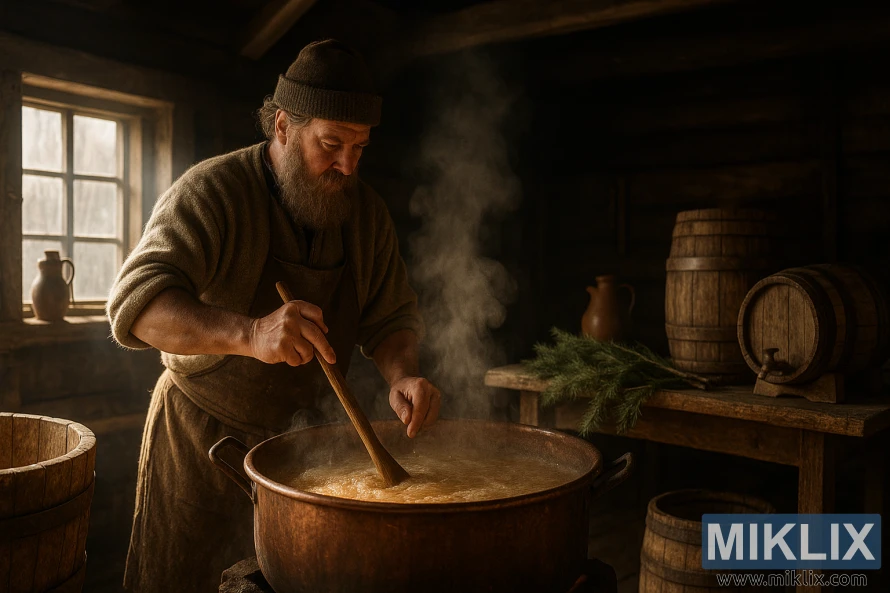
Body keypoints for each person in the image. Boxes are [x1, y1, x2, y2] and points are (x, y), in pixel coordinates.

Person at [107, 39, 441, 593]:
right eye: (331, 144)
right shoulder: (213, 192)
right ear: (283, 126)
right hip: (199, 444)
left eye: (360, 147)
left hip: (301, 451)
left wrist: (402, 374)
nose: (348, 165)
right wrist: (250, 333)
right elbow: (136, 305)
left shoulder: (365, 214)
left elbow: (392, 317)